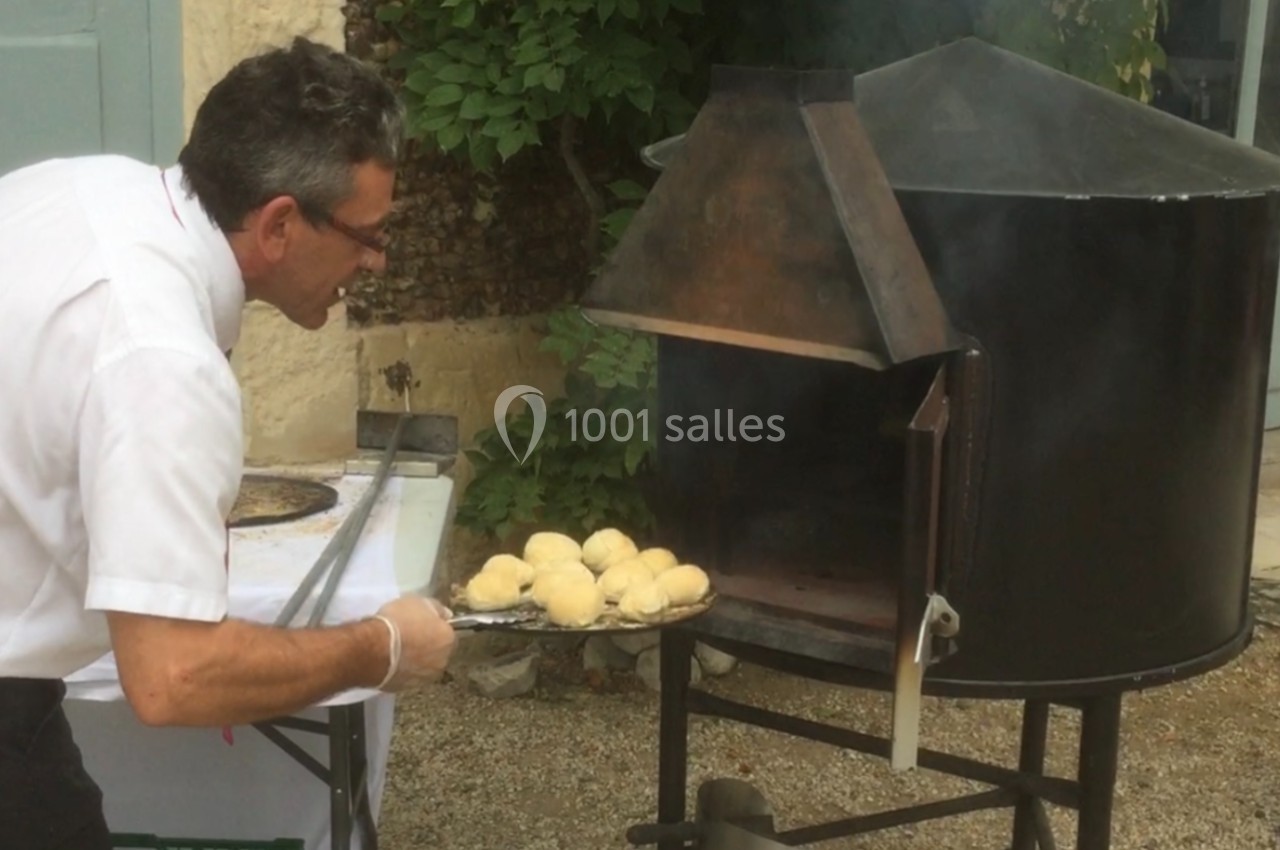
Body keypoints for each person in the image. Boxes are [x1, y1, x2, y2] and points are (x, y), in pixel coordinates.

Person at [0, 36, 458, 849]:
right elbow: (175, 678)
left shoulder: (90, 185)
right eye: (366, 234)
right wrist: (379, 648)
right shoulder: (161, 359)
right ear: (280, 223)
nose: (377, 262)